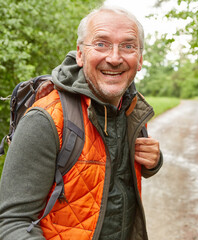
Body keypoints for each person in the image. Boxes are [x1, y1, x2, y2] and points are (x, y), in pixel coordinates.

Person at [0, 3, 162, 240]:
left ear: (139, 59)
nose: (115, 58)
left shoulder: (132, 108)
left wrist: (154, 162)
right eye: (101, 44)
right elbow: (11, 222)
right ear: (80, 53)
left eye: (128, 46)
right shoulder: (45, 119)